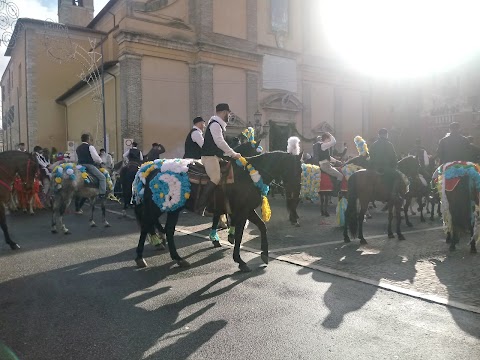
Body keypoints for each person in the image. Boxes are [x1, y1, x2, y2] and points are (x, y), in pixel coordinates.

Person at [196, 103, 241, 214]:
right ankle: (200, 207)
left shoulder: (217, 124)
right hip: (209, 157)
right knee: (215, 178)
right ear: (224, 112)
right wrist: (232, 153)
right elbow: (219, 142)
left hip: (215, 156)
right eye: (228, 113)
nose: (229, 115)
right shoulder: (215, 124)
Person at [369, 128, 401, 201]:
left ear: (379, 135)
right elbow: (393, 156)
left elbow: (370, 155)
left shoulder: (374, 144)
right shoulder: (389, 144)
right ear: (386, 135)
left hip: (374, 168)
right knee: (398, 176)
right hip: (386, 168)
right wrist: (395, 165)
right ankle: (394, 194)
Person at [76, 134, 106, 199]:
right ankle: (102, 194)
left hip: (79, 166)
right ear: (88, 139)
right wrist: (101, 162)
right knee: (102, 177)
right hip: (88, 165)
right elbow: (95, 157)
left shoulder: (78, 148)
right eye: (90, 139)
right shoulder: (90, 147)